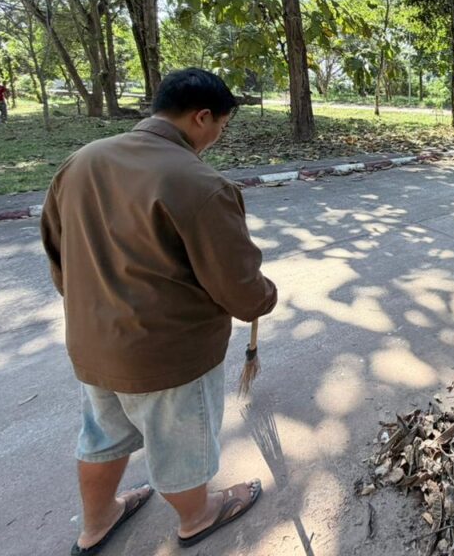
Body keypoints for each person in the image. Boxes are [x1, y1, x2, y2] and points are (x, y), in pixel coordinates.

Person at [41, 68, 277, 554]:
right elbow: (238, 288)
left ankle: (97, 522)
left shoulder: (81, 162)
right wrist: (263, 296)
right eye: (221, 125)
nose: (218, 136)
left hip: (94, 343)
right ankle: (198, 516)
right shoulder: (200, 182)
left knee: (102, 436)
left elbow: (57, 252)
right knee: (180, 445)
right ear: (202, 117)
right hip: (167, 354)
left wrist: (91, 309)